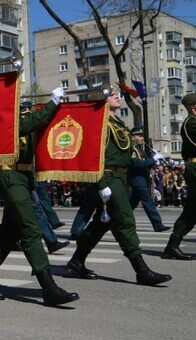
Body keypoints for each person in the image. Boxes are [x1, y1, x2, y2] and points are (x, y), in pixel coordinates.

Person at [0, 95, 79, 307]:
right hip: (10, 175)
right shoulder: (1, 117)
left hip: (23, 177)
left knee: (8, 234)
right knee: (30, 230)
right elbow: (28, 124)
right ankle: (49, 288)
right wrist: (52, 103)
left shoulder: (22, 114)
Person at [65, 91, 172, 286]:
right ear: (101, 99)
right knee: (125, 220)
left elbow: (128, 156)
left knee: (101, 223)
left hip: (120, 176)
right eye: (111, 94)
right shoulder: (99, 122)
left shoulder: (118, 124)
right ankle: (142, 271)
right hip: (108, 176)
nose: (117, 96)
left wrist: (149, 161)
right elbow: (92, 156)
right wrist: (101, 183)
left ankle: (76, 261)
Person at [162, 92, 196, 260]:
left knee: (191, 212)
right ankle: (172, 247)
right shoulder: (190, 123)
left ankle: (172, 247)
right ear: (193, 107)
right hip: (195, 167)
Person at [128, 126, 170, 232]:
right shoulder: (132, 149)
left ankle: (116, 221)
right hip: (137, 179)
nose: (142, 138)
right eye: (139, 136)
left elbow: (147, 164)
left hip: (142, 179)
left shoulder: (140, 149)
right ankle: (158, 224)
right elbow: (138, 164)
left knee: (130, 205)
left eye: (142, 136)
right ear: (133, 137)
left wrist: (155, 158)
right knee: (148, 202)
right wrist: (153, 159)